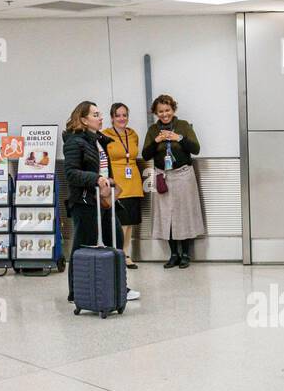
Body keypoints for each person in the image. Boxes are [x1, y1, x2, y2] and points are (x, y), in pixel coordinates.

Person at [64, 100, 139, 302]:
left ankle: (119, 286)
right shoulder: (74, 141)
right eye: (95, 115)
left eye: (100, 114)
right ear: (83, 119)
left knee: (115, 238)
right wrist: (95, 179)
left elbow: (103, 168)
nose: (100, 118)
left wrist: (106, 181)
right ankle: (77, 291)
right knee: (83, 246)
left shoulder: (98, 139)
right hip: (86, 202)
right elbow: (71, 173)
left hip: (105, 200)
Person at [141, 94, 204, 269]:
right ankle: (173, 254)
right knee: (165, 215)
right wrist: (156, 141)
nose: (164, 114)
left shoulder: (183, 125)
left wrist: (179, 138)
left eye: (167, 110)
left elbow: (196, 149)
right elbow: (145, 154)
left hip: (183, 175)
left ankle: (185, 254)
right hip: (163, 175)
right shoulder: (153, 130)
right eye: (160, 111)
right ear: (156, 112)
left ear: (173, 110)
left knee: (184, 214)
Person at [103, 102, 143, 270]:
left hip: (133, 179)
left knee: (131, 220)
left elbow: (133, 154)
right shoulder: (104, 135)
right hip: (117, 181)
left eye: (124, 115)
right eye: (118, 115)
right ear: (112, 118)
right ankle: (119, 253)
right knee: (121, 221)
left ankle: (127, 253)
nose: (121, 118)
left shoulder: (132, 134)